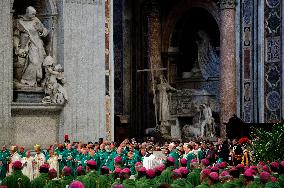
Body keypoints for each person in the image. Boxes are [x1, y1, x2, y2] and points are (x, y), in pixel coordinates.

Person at [13, 6, 48, 86]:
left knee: (39, 62)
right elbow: (16, 35)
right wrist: (17, 47)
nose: (34, 16)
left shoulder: (36, 20)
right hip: (28, 45)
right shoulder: (20, 22)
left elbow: (45, 32)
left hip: (38, 45)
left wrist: (41, 30)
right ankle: (26, 80)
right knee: (34, 62)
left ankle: (35, 81)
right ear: (27, 13)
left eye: (35, 14)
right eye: (32, 14)